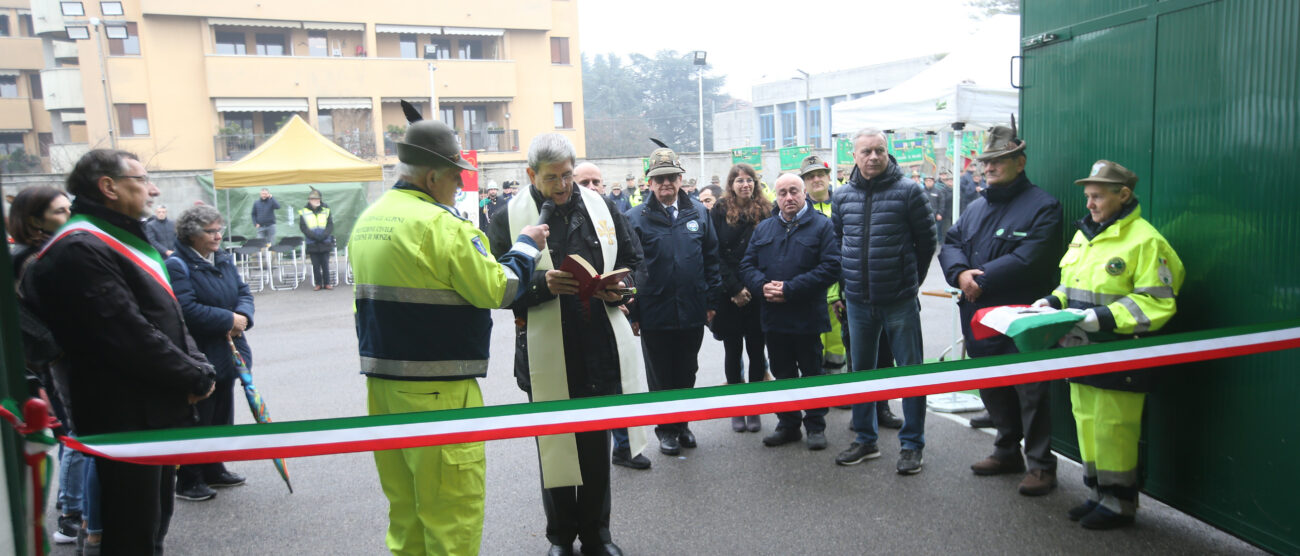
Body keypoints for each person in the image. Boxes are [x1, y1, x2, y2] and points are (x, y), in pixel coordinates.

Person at [349, 117, 546, 555]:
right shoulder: (443, 226)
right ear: (433, 175)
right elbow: (498, 287)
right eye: (456, 175)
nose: (460, 182)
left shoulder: (370, 219)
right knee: (452, 515)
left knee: (406, 513)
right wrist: (527, 246)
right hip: (439, 389)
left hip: (383, 386)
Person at [21, 149, 217, 555]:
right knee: (132, 531)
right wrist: (193, 375)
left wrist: (198, 365)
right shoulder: (80, 248)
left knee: (151, 525)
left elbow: (167, 316)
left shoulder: (110, 238)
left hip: (150, 409)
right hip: (125, 411)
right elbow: (125, 333)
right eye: (142, 180)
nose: (153, 189)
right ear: (108, 187)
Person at [489, 144, 641, 556]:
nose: (562, 185)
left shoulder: (603, 206)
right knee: (555, 445)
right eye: (551, 177)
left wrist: (621, 289)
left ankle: (597, 535)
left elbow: (634, 259)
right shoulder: (505, 217)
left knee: (595, 447)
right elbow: (494, 287)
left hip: (597, 344)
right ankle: (560, 536)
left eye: (567, 175)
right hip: (542, 352)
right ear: (530, 174)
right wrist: (541, 287)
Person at [1035, 160, 1184, 530]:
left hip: (1120, 353)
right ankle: (1097, 493)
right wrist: (1053, 302)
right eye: (1087, 196)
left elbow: (1157, 301)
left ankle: (1119, 504)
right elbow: (1069, 286)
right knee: (1087, 422)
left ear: (1124, 195)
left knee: (1114, 427)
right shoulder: (1085, 236)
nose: (1089, 204)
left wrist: (1102, 318)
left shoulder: (1146, 241)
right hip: (1080, 348)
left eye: (1097, 196)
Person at [939, 125, 1064, 497]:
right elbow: (951, 242)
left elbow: (1031, 258)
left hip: (1021, 314)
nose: (990, 168)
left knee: (1031, 391)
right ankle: (1006, 450)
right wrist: (960, 275)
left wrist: (982, 278)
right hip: (979, 314)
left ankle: (1041, 466)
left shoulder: (1043, 205)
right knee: (993, 388)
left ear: (1019, 162)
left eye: (999, 161)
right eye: (987, 162)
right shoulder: (977, 206)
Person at [831, 128, 936, 475]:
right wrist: (847, 288)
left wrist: (910, 284)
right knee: (861, 374)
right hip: (858, 302)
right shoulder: (842, 196)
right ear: (855, 157)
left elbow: (926, 243)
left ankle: (912, 445)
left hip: (899, 302)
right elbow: (839, 242)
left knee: (910, 374)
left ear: (887, 154)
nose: (873, 157)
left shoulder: (909, 192)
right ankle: (865, 439)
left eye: (879, 150)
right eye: (866, 151)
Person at [625, 146, 722, 456]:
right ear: (649, 183)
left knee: (687, 371)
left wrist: (711, 301)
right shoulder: (634, 218)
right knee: (661, 375)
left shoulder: (699, 212)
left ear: (681, 179)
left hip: (692, 308)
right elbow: (630, 269)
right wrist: (634, 312)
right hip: (655, 310)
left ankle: (682, 425)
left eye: (671, 177)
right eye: (659, 179)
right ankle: (666, 430)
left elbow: (711, 259)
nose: (666, 183)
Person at [7, 186, 85, 544]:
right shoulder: (30, 259)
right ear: (35, 219)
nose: (67, 216)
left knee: (72, 431)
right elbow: (36, 317)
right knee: (74, 434)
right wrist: (56, 350)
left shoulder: (39, 253)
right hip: (53, 360)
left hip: (50, 357)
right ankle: (70, 514)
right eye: (59, 211)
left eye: (68, 209)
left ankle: (71, 508)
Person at [741, 173, 840, 450]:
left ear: (804, 192)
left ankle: (816, 426)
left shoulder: (822, 226)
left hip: (807, 317)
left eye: (793, 191)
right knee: (783, 374)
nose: (788, 198)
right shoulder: (764, 229)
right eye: (782, 192)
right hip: (774, 319)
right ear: (776, 196)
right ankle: (788, 424)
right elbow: (747, 266)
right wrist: (762, 287)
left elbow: (831, 266)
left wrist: (791, 289)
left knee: (811, 373)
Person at [165, 204, 254, 502]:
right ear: (192, 234)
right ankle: (189, 479)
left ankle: (214, 467)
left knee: (220, 414)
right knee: (199, 417)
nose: (218, 236)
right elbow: (185, 309)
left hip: (228, 349)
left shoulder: (223, 258)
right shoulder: (178, 264)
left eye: (220, 230)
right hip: (201, 353)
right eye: (211, 231)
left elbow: (244, 292)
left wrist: (242, 316)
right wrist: (228, 320)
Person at [710, 163, 771, 433]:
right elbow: (714, 253)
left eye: (749, 180)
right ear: (731, 184)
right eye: (739, 180)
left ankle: (754, 407)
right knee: (733, 351)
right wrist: (734, 289)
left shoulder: (767, 209)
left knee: (757, 351)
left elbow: (770, 251)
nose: (745, 185)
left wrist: (753, 287)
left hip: (757, 291)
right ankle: (737, 407)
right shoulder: (719, 210)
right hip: (729, 293)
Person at [800, 155, 847, 373]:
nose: (816, 179)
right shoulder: (798, 211)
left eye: (820, 174)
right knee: (811, 345)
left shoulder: (843, 206)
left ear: (829, 177)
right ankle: (816, 392)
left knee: (839, 344)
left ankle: (839, 387)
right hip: (811, 292)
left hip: (841, 290)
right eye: (810, 176)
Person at [298, 189, 335, 290]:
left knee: (325, 264)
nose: (316, 201)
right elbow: (303, 227)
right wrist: (314, 236)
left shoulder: (326, 210)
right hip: (312, 241)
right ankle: (318, 284)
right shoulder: (304, 211)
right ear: (309, 200)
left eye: (317, 199)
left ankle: (327, 283)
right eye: (313, 199)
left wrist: (324, 235)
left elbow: (330, 225)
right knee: (315, 265)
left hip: (325, 240)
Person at [923, 176, 952, 244]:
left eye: (930, 181)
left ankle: (937, 243)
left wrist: (940, 213)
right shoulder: (921, 191)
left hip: (935, 215)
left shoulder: (938, 191)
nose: (928, 182)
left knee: (937, 230)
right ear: (924, 182)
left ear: (933, 182)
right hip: (924, 215)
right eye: (927, 181)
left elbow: (942, 203)